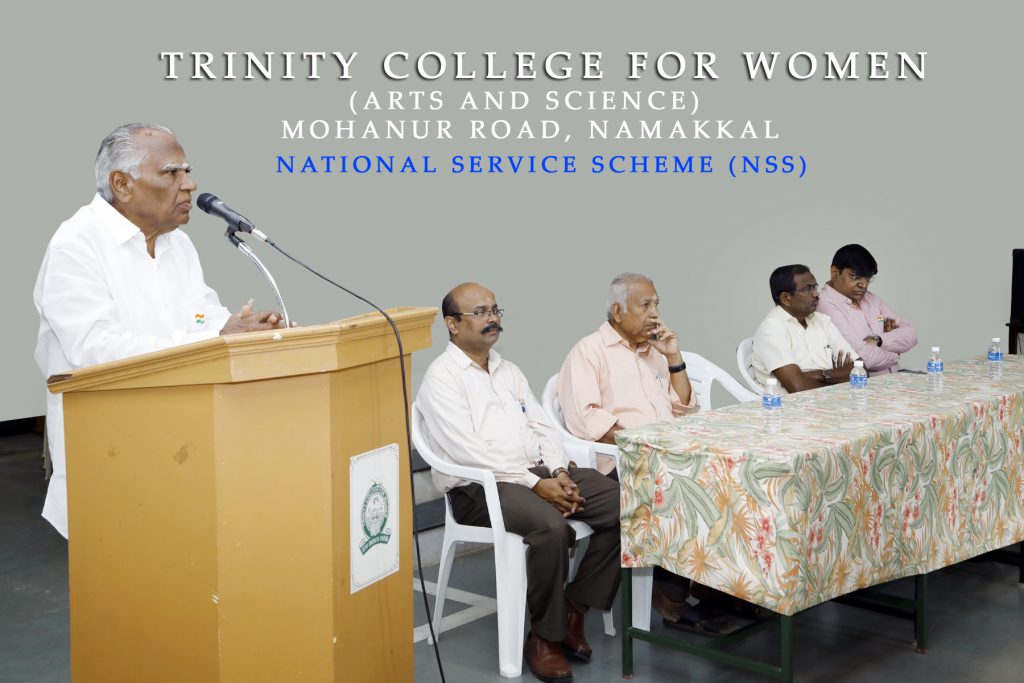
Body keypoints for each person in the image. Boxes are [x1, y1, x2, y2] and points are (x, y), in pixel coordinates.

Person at [34, 123, 285, 539]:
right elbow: (94, 350)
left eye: (187, 172)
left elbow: (201, 317)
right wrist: (215, 340)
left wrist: (237, 328)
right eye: (171, 173)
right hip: (113, 453)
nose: (189, 184)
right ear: (122, 184)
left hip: (187, 447)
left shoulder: (177, 244)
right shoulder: (76, 245)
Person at [417, 283, 620, 683]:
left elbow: (544, 428)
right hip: (479, 488)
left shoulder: (508, 371)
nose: (492, 318)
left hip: (539, 473)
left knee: (628, 505)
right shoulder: (441, 379)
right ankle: (544, 638)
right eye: (480, 312)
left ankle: (574, 609)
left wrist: (559, 473)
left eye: (495, 310)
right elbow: (468, 452)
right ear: (452, 325)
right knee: (550, 527)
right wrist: (534, 483)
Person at [557, 273, 744, 634]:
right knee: (684, 491)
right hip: (619, 460)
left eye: (657, 304)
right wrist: (643, 445)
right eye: (645, 305)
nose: (655, 313)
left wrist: (673, 356)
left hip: (665, 453)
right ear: (617, 311)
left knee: (728, 480)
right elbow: (586, 418)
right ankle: (671, 598)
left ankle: (715, 586)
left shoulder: (653, 352)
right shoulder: (589, 351)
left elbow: (684, 409)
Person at [751, 264, 857, 393]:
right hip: (791, 404)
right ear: (786, 298)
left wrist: (821, 374)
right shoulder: (771, 330)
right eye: (808, 289)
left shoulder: (823, 321)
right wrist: (837, 377)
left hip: (831, 399)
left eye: (815, 287)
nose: (817, 294)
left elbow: (859, 370)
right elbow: (798, 387)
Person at [817, 244, 918, 374]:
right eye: (855, 277)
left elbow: (911, 334)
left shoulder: (871, 299)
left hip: (897, 377)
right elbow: (864, 359)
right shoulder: (825, 304)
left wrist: (879, 340)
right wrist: (896, 353)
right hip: (864, 384)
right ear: (835, 272)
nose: (864, 285)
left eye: (868, 278)